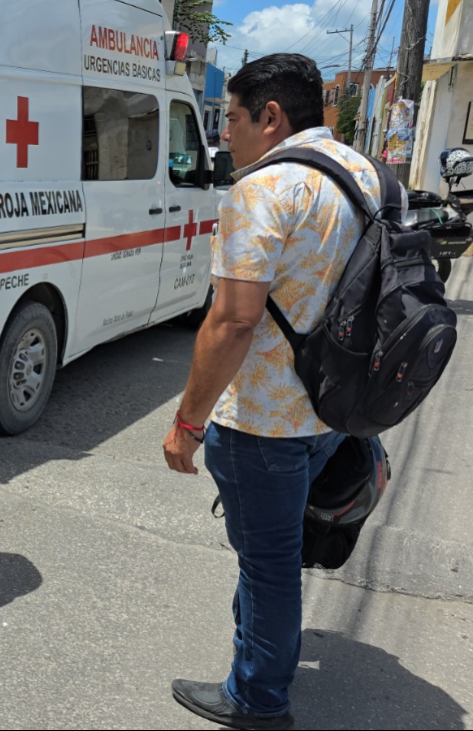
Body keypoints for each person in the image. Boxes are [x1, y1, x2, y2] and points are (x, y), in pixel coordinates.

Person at [163, 54, 403, 730]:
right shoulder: (367, 175)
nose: (225, 136)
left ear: (270, 117)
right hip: (333, 405)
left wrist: (185, 422)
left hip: (265, 421)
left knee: (267, 563)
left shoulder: (261, 191)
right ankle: (260, 653)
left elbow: (232, 319)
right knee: (278, 551)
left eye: (232, 119)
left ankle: (257, 697)